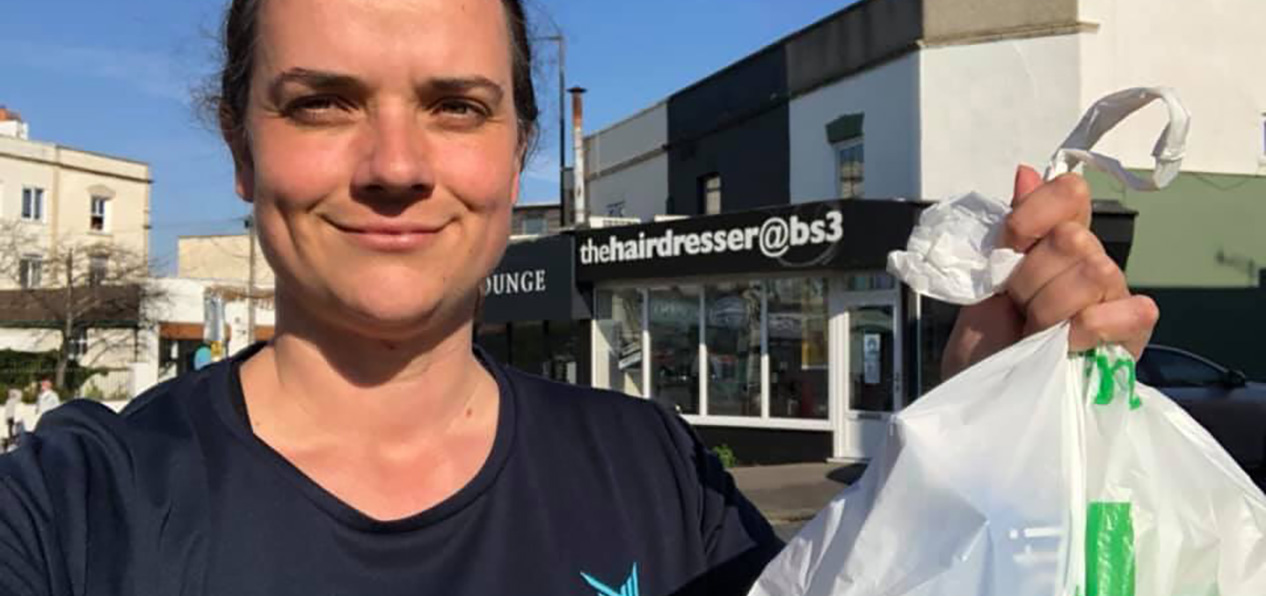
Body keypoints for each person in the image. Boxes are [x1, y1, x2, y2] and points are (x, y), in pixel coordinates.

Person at [0, 0, 1158, 594]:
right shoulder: (71, 511)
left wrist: (984, 434)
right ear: (241, 148)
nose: (397, 162)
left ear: (516, 152)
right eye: (324, 102)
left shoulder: (656, 471)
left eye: (456, 104)